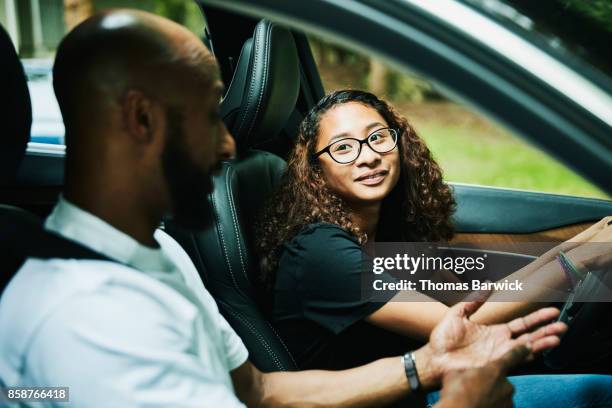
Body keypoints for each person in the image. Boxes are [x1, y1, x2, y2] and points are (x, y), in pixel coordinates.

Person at [0, 9, 567, 408]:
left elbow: (261, 393)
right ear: (142, 119)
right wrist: (462, 401)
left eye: (379, 138)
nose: (227, 147)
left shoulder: (160, 253)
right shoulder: (88, 319)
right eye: (208, 117)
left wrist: (426, 366)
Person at [257, 89, 612, 406]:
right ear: (316, 170)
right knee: (598, 393)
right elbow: (458, 327)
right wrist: (576, 261)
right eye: (343, 147)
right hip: (408, 400)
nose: (367, 156)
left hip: (418, 392)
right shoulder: (319, 251)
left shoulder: (375, 231)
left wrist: (584, 240)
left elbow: (478, 304)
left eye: (378, 137)